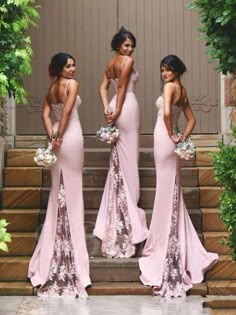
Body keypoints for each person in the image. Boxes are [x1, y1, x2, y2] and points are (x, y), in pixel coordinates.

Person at [139, 55, 219, 297]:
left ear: (176, 71)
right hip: (171, 142)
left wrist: (173, 134)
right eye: (162, 70)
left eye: (169, 69)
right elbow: (192, 120)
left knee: (166, 192)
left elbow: (165, 113)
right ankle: (175, 237)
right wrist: (182, 137)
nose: (164, 73)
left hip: (164, 140)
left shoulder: (169, 87)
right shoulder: (181, 90)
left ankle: (164, 246)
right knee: (172, 190)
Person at [28, 53, 91, 298]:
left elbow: (47, 115)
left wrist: (52, 136)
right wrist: (60, 136)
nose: (73, 69)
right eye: (68, 66)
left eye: (74, 65)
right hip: (71, 136)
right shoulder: (71, 85)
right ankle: (73, 257)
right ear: (59, 68)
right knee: (72, 194)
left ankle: (52, 252)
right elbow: (65, 113)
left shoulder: (52, 87)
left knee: (58, 192)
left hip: (56, 136)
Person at [93, 27, 148, 258]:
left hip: (118, 104)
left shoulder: (109, 64)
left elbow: (103, 88)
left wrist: (108, 106)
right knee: (129, 153)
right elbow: (124, 87)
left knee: (122, 153)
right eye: (126, 45)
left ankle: (123, 194)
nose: (130, 49)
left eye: (132, 46)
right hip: (127, 105)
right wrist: (115, 111)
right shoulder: (127, 61)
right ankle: (130, 199)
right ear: (118, 45)